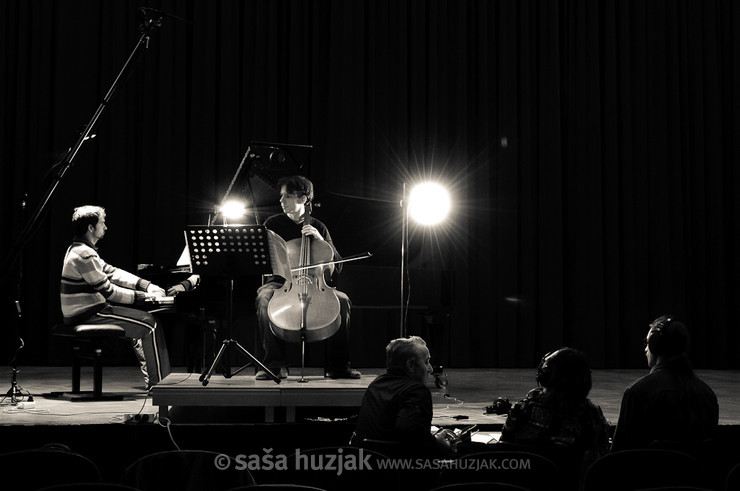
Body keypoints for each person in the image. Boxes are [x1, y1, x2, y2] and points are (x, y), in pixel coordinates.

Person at [254, 175, 360, 380]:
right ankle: (273, 364)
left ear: (303, 199)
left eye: (287, 196)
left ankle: (339, 366)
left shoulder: (319, 226)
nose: (281, 201)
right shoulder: (273, 224)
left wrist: (320, 240)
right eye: (282, 197)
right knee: (264, 297)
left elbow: (336, 265)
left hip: (314, 281)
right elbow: (264, 261)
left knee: (343, 301)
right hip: (281, 281)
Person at [59, 205, 171, 389]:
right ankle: (160, 386)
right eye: (102, 223)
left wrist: (146, 285)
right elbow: (109, 291)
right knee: (150, 324)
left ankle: (154, 381)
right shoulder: (84, 255)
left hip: (90, 310)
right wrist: (145, 297)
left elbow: (112, 272)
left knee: (141, 324)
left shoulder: (80, 249)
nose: (106, 227)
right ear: (90, 227)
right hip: (88, 313)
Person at [611, 315, 719, 451]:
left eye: (648, 343)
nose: (645, 349)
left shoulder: (638, 393)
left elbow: (620, 452)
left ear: (656, 346)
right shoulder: (707, 394)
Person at [500, 348, 610, 470]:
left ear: (544, 375)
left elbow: (504, 450)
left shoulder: (522, 410)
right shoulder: (592, 415)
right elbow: (601, 459)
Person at [351, 336, 457, 457]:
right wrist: (437, 442)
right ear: (411, 365)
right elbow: (411, 433)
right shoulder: (416, 391)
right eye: (426, 362)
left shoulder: (375, 385)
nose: (430, 369)